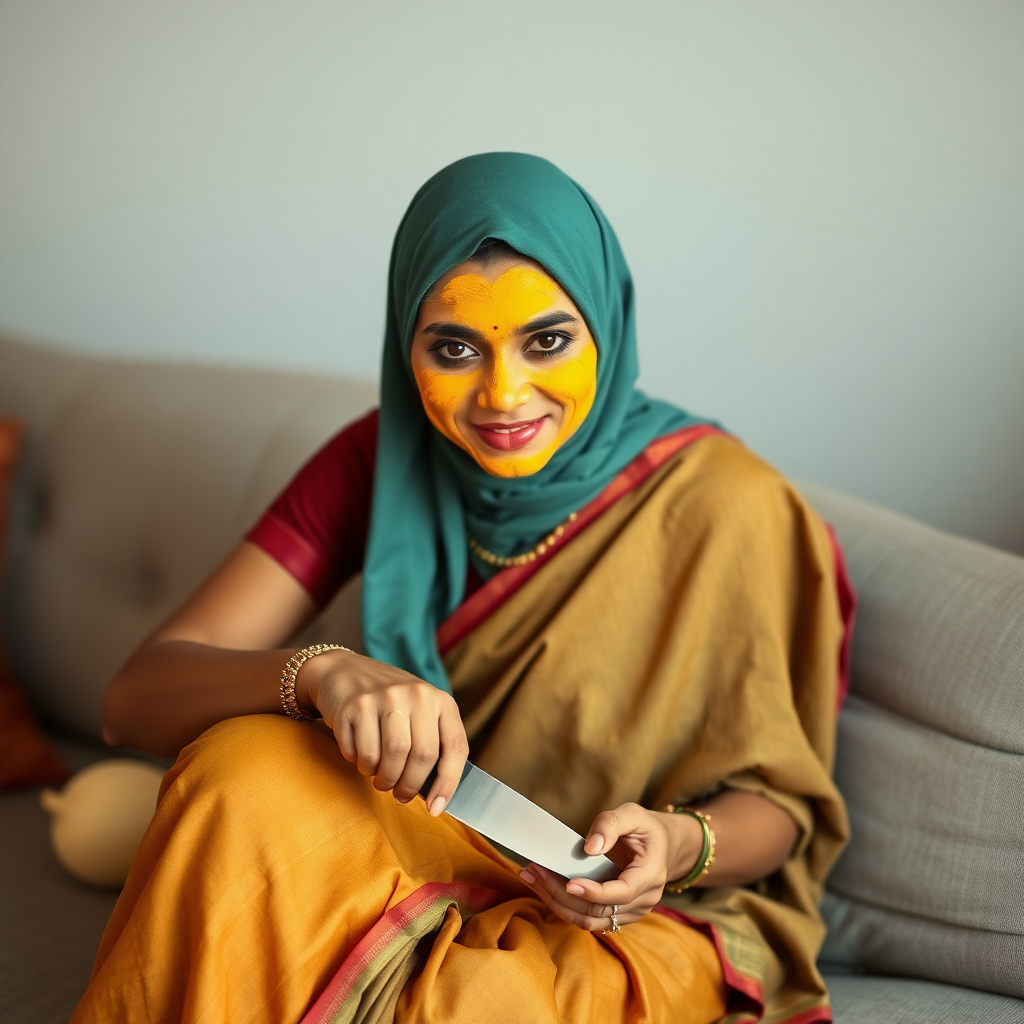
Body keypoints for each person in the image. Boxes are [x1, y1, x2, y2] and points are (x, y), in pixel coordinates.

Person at [73, 153, 853, 1024]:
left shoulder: (727, 505)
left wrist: (674, 843)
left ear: (607, 321)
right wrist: (321, 672)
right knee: (241, 772)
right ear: (405, 340)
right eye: (453, 348)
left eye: (547, 340)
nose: (502, 393)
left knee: (467, 1001)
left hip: (636, 912)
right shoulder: (382, 457)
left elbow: (779, 812)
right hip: (430, 849)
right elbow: (132, 703)